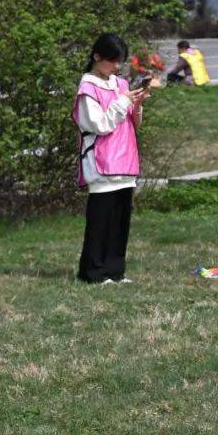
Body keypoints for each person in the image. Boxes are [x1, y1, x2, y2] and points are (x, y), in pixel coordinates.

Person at [73, 32, 151, 285]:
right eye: (113, 61)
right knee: (100, 223)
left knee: (120, 223)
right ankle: (93, 273)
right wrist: (121, 103)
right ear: (97, 57)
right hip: (101, 163)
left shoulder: (121, 85)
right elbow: (100, 125)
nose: (117, 67)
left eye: (120, 62)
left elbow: (134, 122)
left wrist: (137, 104)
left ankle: (115, 272)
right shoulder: (87, 89)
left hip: (126, 162)